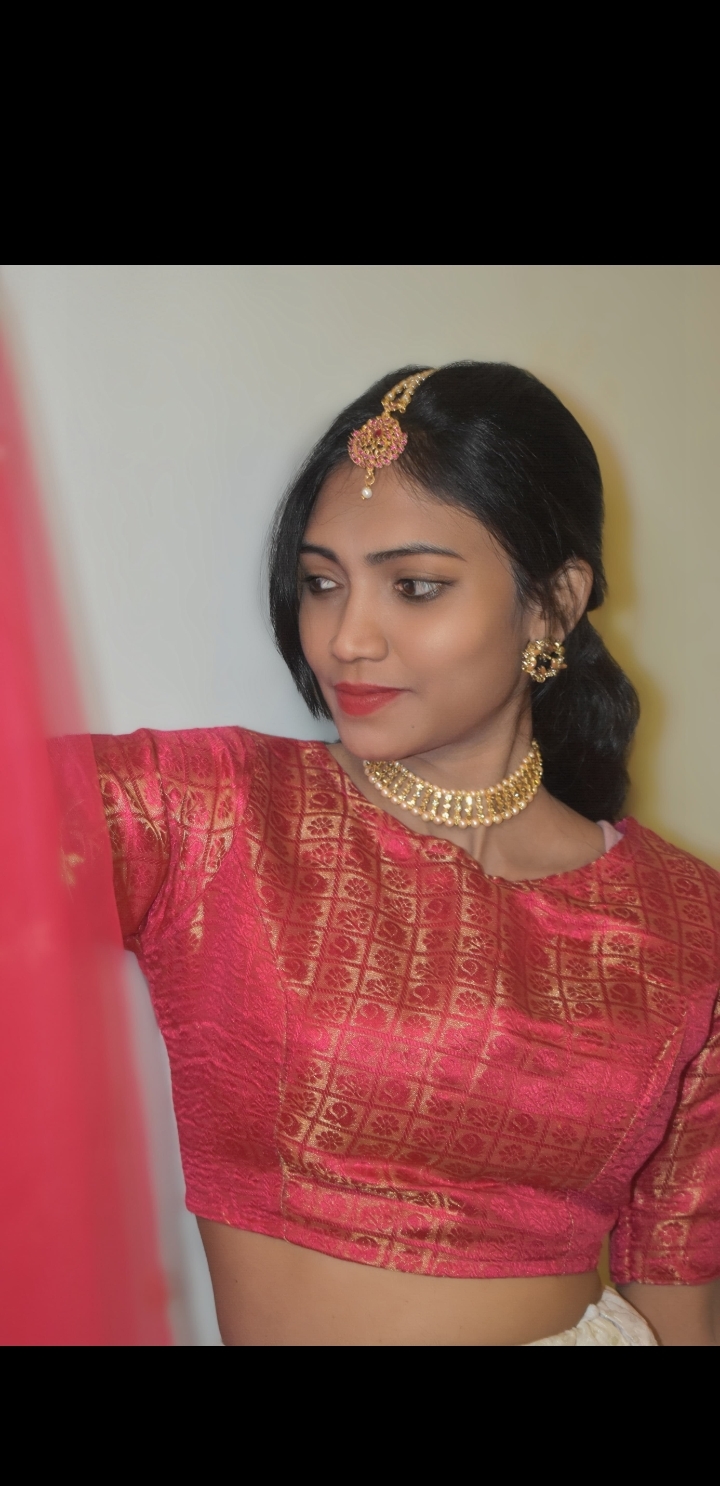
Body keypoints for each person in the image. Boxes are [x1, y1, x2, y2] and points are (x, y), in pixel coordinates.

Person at [94, 363, 720, 1345]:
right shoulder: (211, 813)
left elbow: (679, 1273)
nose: (346, 638)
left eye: (414, 587)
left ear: (553, 605)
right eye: (321, 583)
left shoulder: (686, 919)